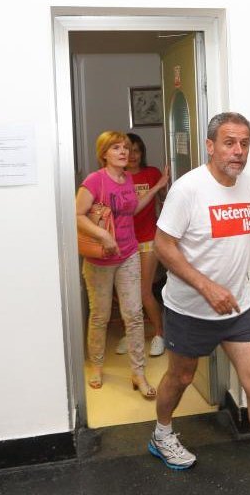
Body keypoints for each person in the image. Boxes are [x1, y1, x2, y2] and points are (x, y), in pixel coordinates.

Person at [148, 113, 250, 495]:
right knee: (181, 377)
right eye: (229, 142)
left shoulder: (248, 186)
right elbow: (162, 245)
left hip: (238, 307)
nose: (238, 151)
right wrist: (206, 286)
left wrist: (232, 286)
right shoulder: (188, 190)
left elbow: (230, 244)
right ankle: (161, 434)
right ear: (210, 146)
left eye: (244, 143)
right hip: (189, 309)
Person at [76, 131, 168, 399]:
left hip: (128, 254)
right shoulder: (94, 181)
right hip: (99, 260)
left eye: (125, 148)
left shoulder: (127, 178)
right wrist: (104, 236)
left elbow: (132, 208)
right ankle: (96, 366)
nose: (124, 152)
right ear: (104, 153)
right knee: (100, 315)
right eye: (116, 148)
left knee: (134, 315)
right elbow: (78, 215)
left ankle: (138, 373)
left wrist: (157, 186)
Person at [114, 133, 168, 357]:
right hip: (124, 241)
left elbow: (165, 199)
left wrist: (163, 186)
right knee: (127, 294)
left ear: (142, 152)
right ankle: (132, 334)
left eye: (137, 150)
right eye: (128, 150)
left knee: (144, 292)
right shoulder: (118, 177)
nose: (133, 155)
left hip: (147, 239)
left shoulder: (151, 173)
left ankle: (159, 334)